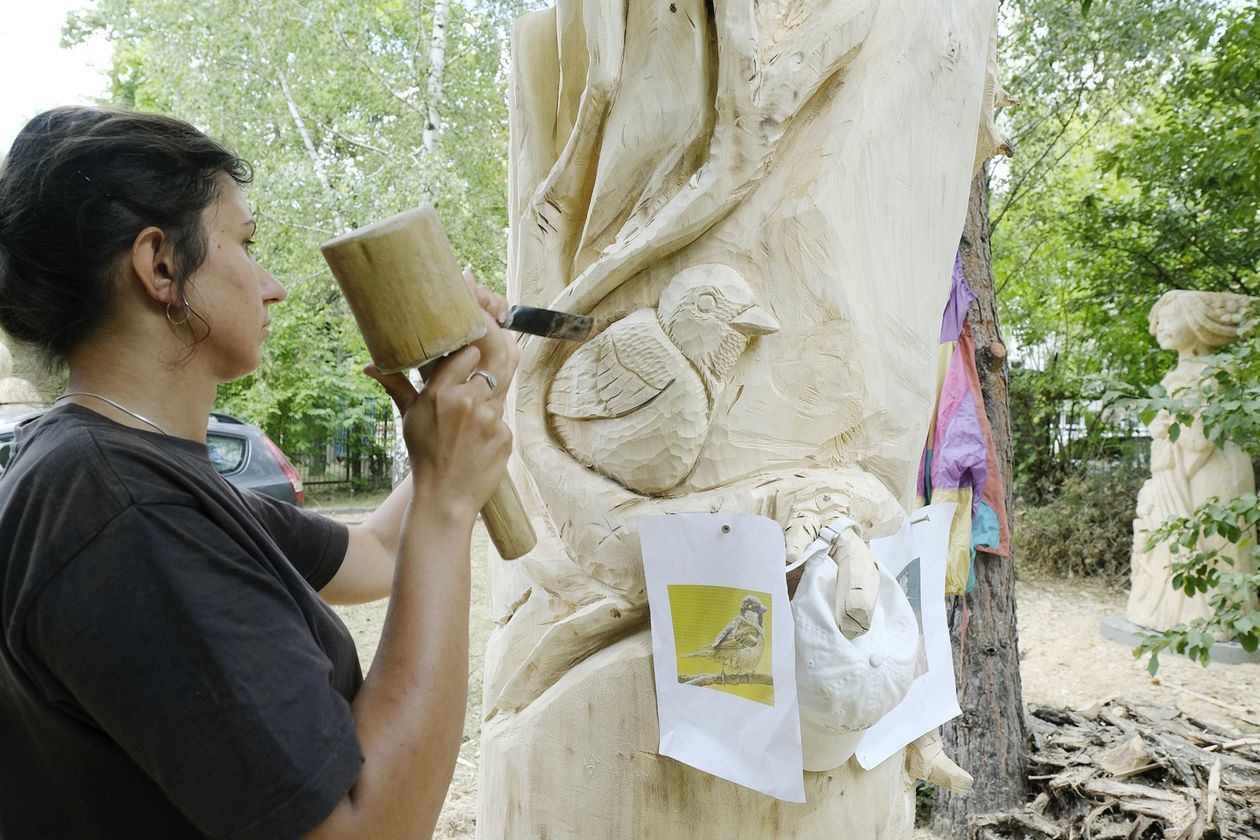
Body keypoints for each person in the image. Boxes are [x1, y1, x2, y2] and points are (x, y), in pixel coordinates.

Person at [0, 105, 519, 838]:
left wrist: (466, 402)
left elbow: (372, 557)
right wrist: (444, 502)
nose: (271, 285)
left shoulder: (114, 463)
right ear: (161, 265)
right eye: (245, 245)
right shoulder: (121, 508)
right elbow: (367, 831)